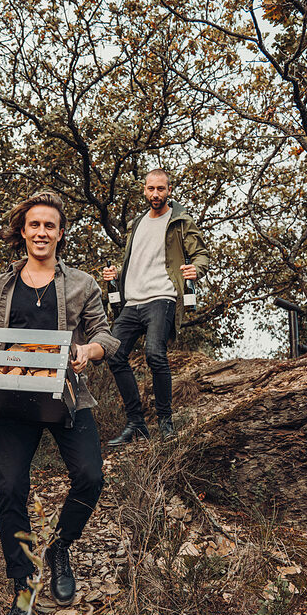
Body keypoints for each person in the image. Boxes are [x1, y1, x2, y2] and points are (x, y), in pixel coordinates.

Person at [0, 191, 120, 615]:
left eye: (50, 227)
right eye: (34, 225)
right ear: (23, 230)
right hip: (15, 402)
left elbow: (106, 334)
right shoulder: (1, 287)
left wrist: (88, 349)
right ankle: (22, 592)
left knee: (90, 476)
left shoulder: (82, 284)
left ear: (60, 234)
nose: (42, 233)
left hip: (68, 398)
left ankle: (60, 546)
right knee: (9, 488)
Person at [102, 169, 209, 444]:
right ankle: (136, 423)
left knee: (154, 354)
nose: (155, 194)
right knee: (114, 354)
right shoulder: (137, 223)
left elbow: (201, 254)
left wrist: (196, 269)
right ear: (144, 189)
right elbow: (137, 260)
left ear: (169, 190)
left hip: (162, 297)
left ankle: (165, 421)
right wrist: (117, 277)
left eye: (160, 189)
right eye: (151, 189)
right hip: (132, 301)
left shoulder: (180, 221)